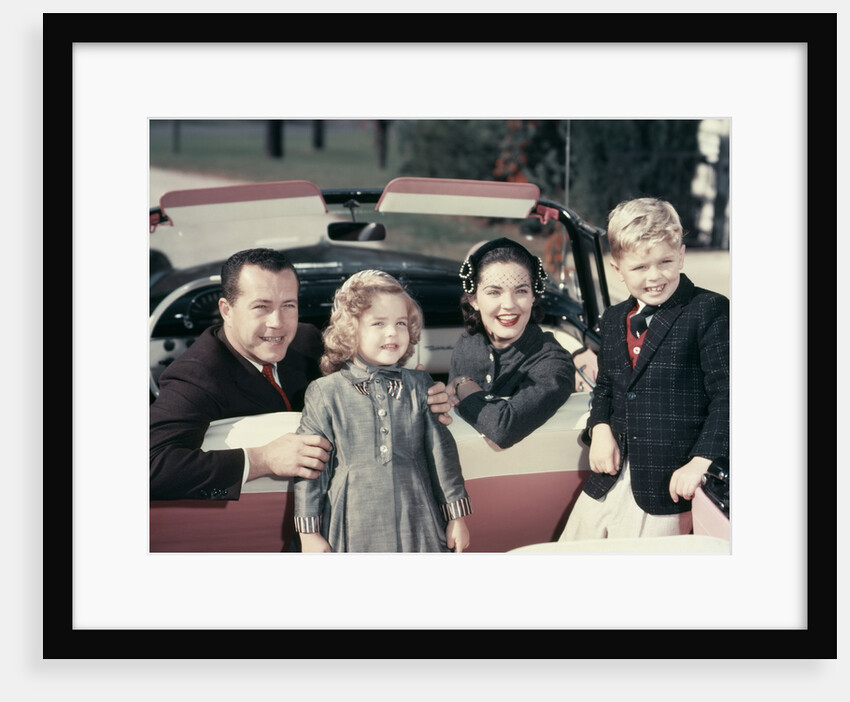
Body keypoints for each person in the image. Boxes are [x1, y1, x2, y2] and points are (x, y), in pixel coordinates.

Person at [150, 248, 452, 501]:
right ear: (227, 310)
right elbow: (151, 466)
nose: (278, 323)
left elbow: (361, 383)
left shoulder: (307, 341)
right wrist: (261, 460)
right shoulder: (197, 375)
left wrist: (421, 394)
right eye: (261, 307)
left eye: (288, 306)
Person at [560, 198, 729, 540]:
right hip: (609, 476)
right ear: (617, 269)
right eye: (639, 268)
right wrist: (601, 428)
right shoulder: (611, 319)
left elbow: (729, 396)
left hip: (671, 481)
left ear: (681, 255)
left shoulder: (709, 310)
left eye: (665, 261)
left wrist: (700, 462)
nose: (654, 277)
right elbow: (606, 386)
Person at [294, 270, 472, 553]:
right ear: (350, 331)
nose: (392, 332)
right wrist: (309, 533)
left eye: (401, 323)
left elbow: (442, 455)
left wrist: (457, 517)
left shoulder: (420, 385)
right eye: (378, 323)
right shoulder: (324, 392)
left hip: (418, 516)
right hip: (351, 521)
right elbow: (312, 469)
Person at [446, 237, 576, 449]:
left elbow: (503, 428)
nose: (509, 305)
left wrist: (463, 384)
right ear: (474, 300)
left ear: (533, 296)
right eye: (494, 292)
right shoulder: (467, 345)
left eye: (521, 291)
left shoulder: (554, 362)